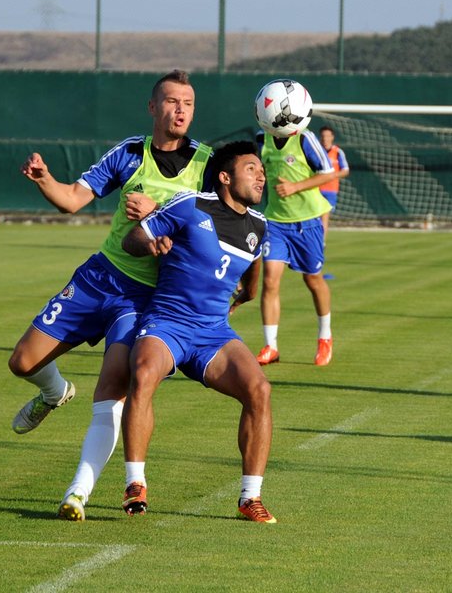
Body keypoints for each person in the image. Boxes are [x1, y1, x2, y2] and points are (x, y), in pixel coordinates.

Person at [10, 70, 212, 522]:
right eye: (172, 101)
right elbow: (72, 199)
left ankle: (77, 493)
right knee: (22, 362)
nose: (181, 110)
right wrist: (44, 179)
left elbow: (215, 230)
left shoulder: (207, 164)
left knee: (111, 393)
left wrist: (158, 212)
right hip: (99, 278)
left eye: (188, 103)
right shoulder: (129, 153)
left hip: (146, 299)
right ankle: (55, 392)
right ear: (153, 107)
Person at [120, 140, 276, 523]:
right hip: (168, 323)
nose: (261, 176)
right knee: (143, 374)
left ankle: (250, 498)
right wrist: (151, 243)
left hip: (213, 334)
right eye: (251, 169)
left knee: (260, 390)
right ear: (225, 177)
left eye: (262, 170)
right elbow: (132, 238)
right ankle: (135, 483)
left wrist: (245, 295)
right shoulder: (191, 205)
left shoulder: (259, 226)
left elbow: (253, 270)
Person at [254, 126, 336, 367]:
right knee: (270, 280)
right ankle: (271, 346)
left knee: (313, 279)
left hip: (307, 222)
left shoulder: (305, 138)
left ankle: (325, 336)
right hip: (275, 222)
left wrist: (295, 187)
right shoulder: (261, 138)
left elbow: (328, 173)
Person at [318, 125, 350, 238]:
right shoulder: (316, 150)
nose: (325, 139)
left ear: (332, 137)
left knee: (324, 217)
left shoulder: (337, 152)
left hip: (330, 190)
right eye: (323, 136)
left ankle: (321, 242)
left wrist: (331, 175)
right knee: (313, 218)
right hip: (315, 188)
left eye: (327, 136)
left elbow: (345, 170)